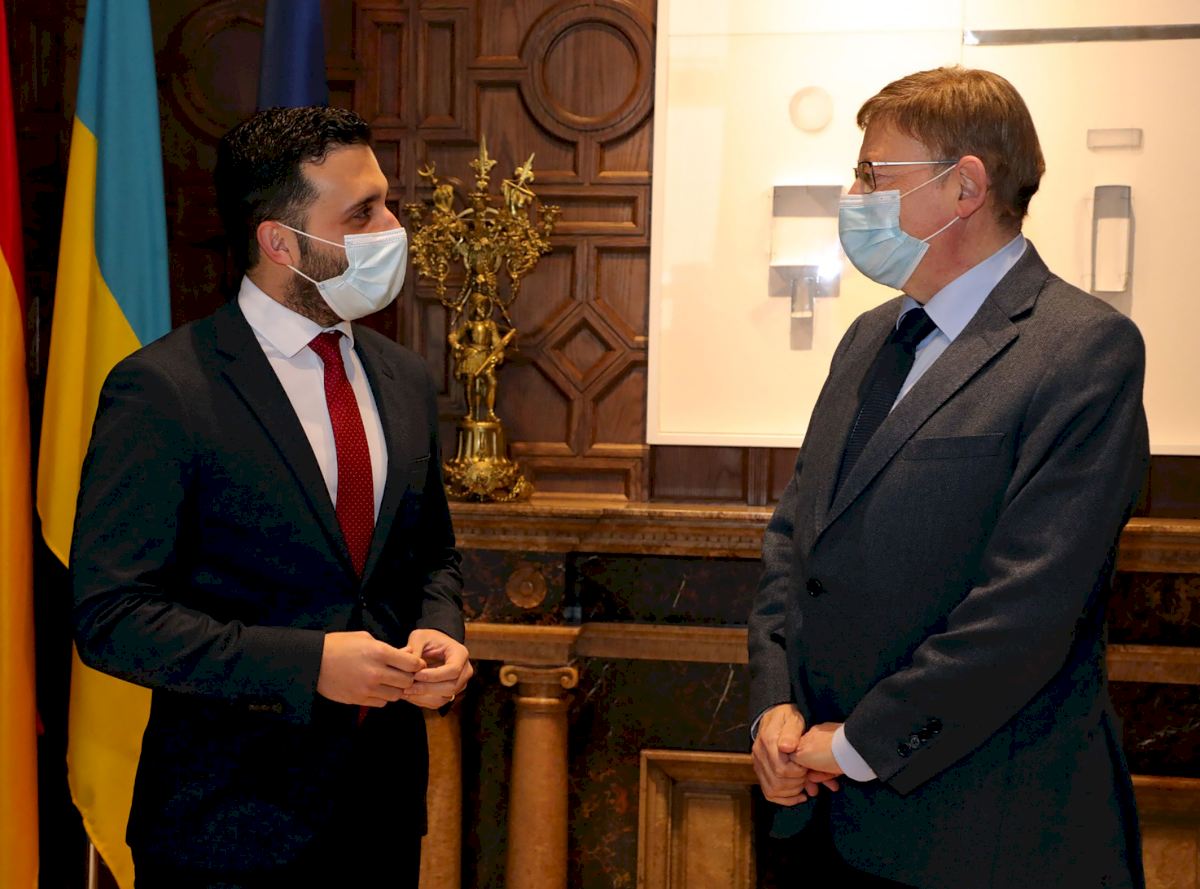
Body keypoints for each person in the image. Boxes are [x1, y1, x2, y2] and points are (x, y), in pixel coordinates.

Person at [748, 67, 1149, 888]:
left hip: (981, 831)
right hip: (817, 816)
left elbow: (1029, 609)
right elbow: (796, 541)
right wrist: (774, 707)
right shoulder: (869, 337)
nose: (853, 196)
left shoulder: (1083, 350)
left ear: (965, 187)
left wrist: (859, 744)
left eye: (872, 173)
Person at [70, 106, 472, 888]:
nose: (393, 229)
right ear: (281, 242)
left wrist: (440, 631)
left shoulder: (404, 377)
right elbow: (111, 616)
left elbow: (433, 556)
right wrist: (308, 664)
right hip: (225, 832)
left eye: (387, 204)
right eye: (362, 213)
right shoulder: (164, 389)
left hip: (381, 816)